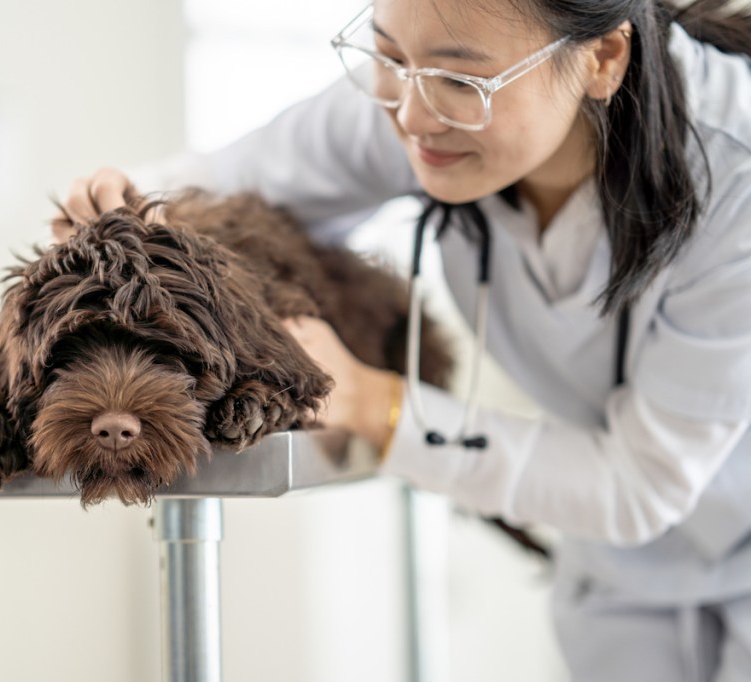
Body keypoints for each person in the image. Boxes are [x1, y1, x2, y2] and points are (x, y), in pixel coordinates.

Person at [56, 0, 751, 679]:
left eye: (462, 82)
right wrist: (119, 204)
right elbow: (216, 185)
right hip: (619, 574)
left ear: (603, 57)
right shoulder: (421, 92)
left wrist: (377, 402)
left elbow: (639, 483)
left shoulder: (735, 172)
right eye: (387, 56)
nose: (413, 116)